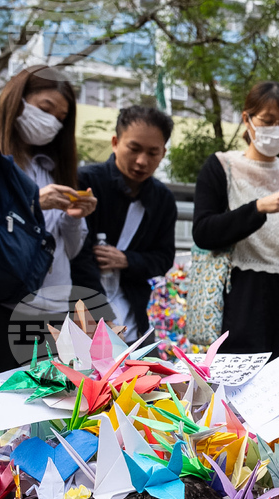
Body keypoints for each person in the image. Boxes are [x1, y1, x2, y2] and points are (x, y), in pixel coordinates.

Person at [192, 81, 279, 368]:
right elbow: (203, 232)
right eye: (268, 121)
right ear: (247, 119)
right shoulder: (222, 166)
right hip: (244, 296)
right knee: (241, 390)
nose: (277, 131)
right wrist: (257, 208)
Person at [0, 66, 97, 376]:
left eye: (60, 118)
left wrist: (74, 216)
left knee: (48, 403)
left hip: (54, 307)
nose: (52, 123)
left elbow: (69, 249)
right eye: (45, 109)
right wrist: (33, 203)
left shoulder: (54, 168)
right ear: (19, 100)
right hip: (2, 304)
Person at [71, 105, 177, 343]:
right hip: (81, 316)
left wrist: (128, 259)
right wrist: (98, 313)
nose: (142, 161)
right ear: (115, 142)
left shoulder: (163, 199)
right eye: (134, 148)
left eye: (153, 153)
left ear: (163, 153)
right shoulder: (85, 181)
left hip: (134, 319)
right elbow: (75, 255)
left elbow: (164, 257)